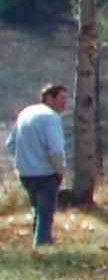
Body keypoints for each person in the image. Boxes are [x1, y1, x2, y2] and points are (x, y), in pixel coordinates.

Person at [13, 83, 69, 248]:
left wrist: (24, 159)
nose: (65, 103)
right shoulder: (51, 117)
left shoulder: (25, 113)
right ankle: (42, 246)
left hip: (25, 173)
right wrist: (60, 171)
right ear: (49, 98)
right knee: (45, 213)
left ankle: (39, 243)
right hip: (46, 174)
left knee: (37, 210)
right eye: (62, 98)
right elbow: (56, 150)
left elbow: (10, 144)